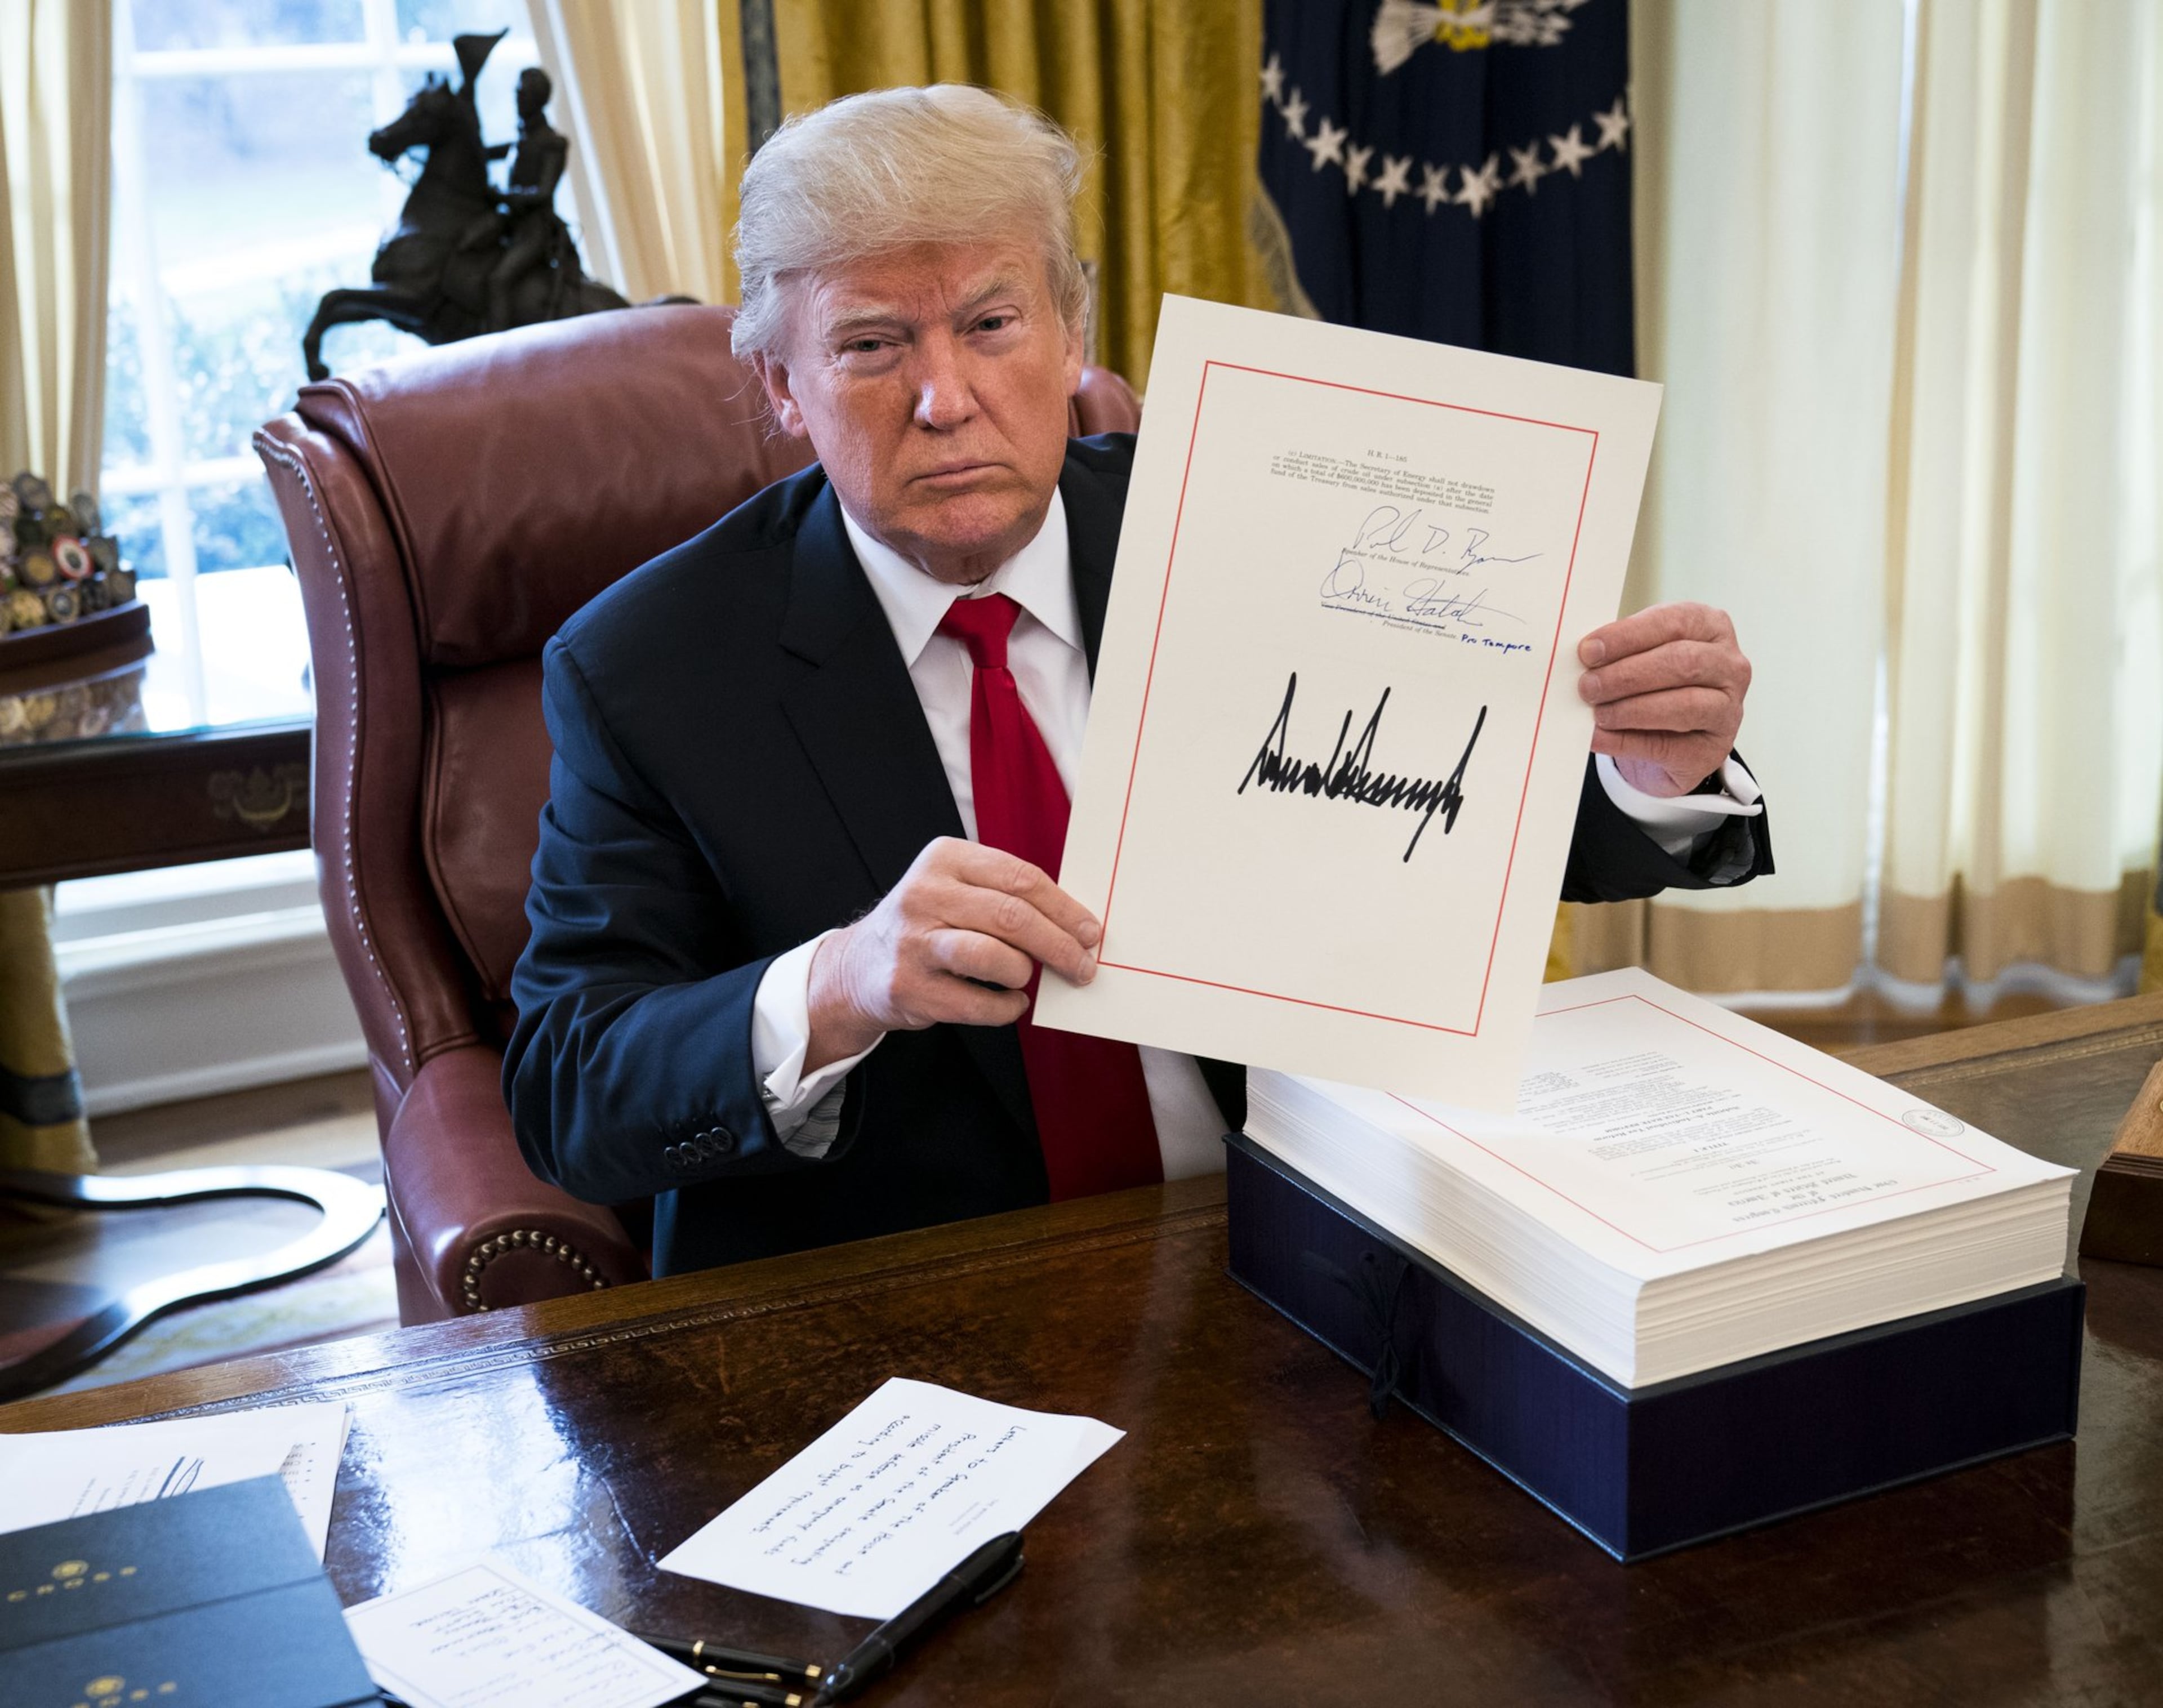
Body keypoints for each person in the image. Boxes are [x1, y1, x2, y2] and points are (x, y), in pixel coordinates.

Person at [504, 86, 1770, 1277]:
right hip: (914, 1305)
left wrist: (1651, 774)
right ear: (782, 382)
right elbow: (568, 1085)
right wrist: (840, 981)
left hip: (1300, 1238)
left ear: (1072, 334)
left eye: (992, 326)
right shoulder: (648, 669)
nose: (946, 398)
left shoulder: (1268, 526)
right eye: (872, 344)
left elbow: (1473, 817)